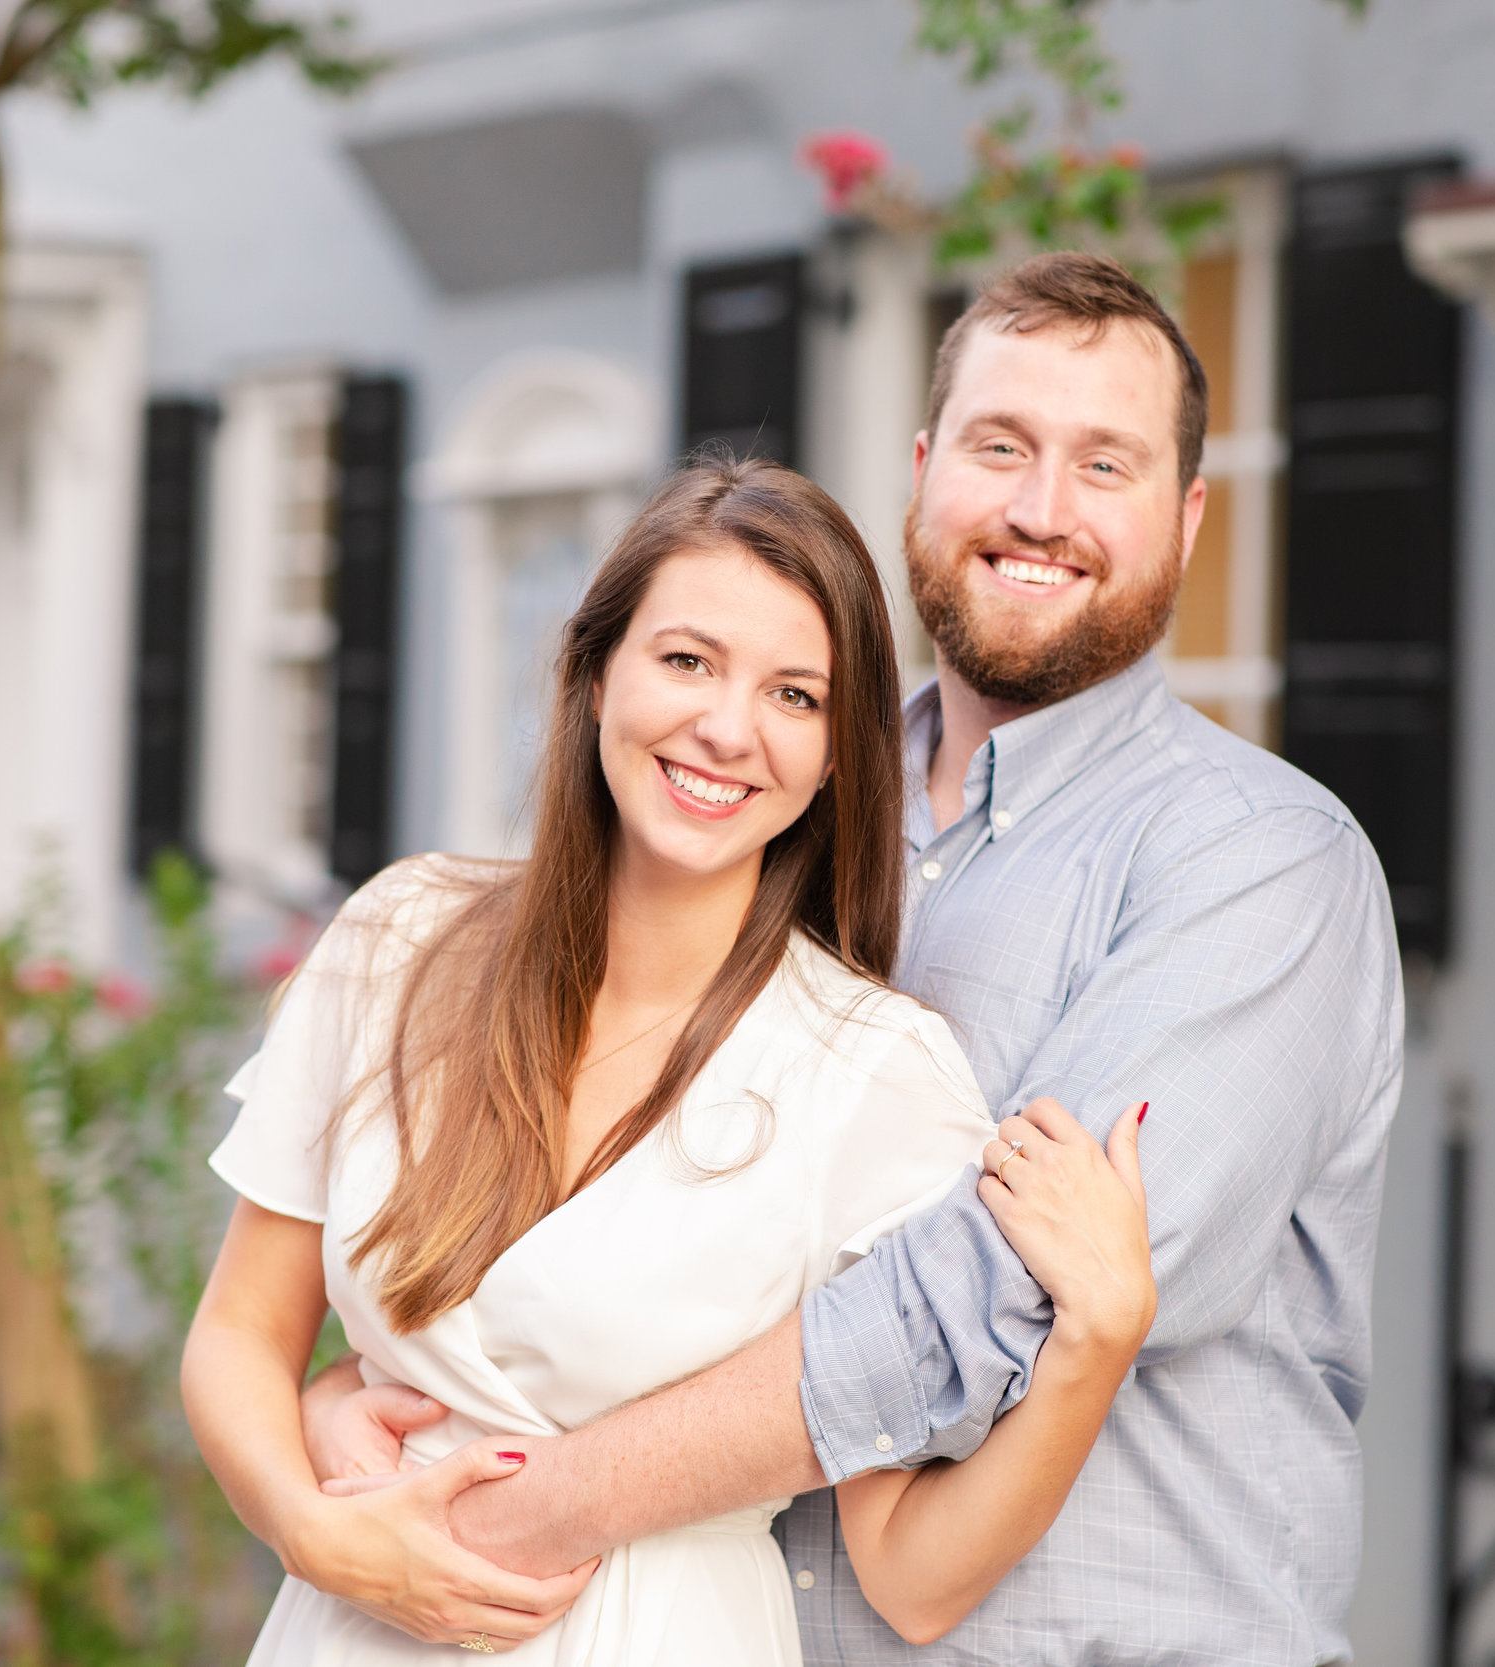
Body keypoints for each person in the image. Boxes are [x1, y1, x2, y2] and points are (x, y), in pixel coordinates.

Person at [301, 252, 1406, 1664]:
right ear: (924, 468)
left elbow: (988, 1295)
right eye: (1001, 446)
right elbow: (593, 1202)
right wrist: (367, 1400)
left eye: (1106, 465)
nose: (1039, 509)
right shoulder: (782, 794)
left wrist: (522, 1506)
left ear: (1189, 517)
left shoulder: (1258, 861)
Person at [179, 455, 1160, 1664]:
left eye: (795, 695)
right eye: (686, 660)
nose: (727, 727)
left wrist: (1096, 1341)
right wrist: (317, 1537)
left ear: (839, 756)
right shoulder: (396, 941)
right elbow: (236, 1335)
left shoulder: (874, 1073)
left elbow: (913, 1575)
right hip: (343, 1628)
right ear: (595, 676)